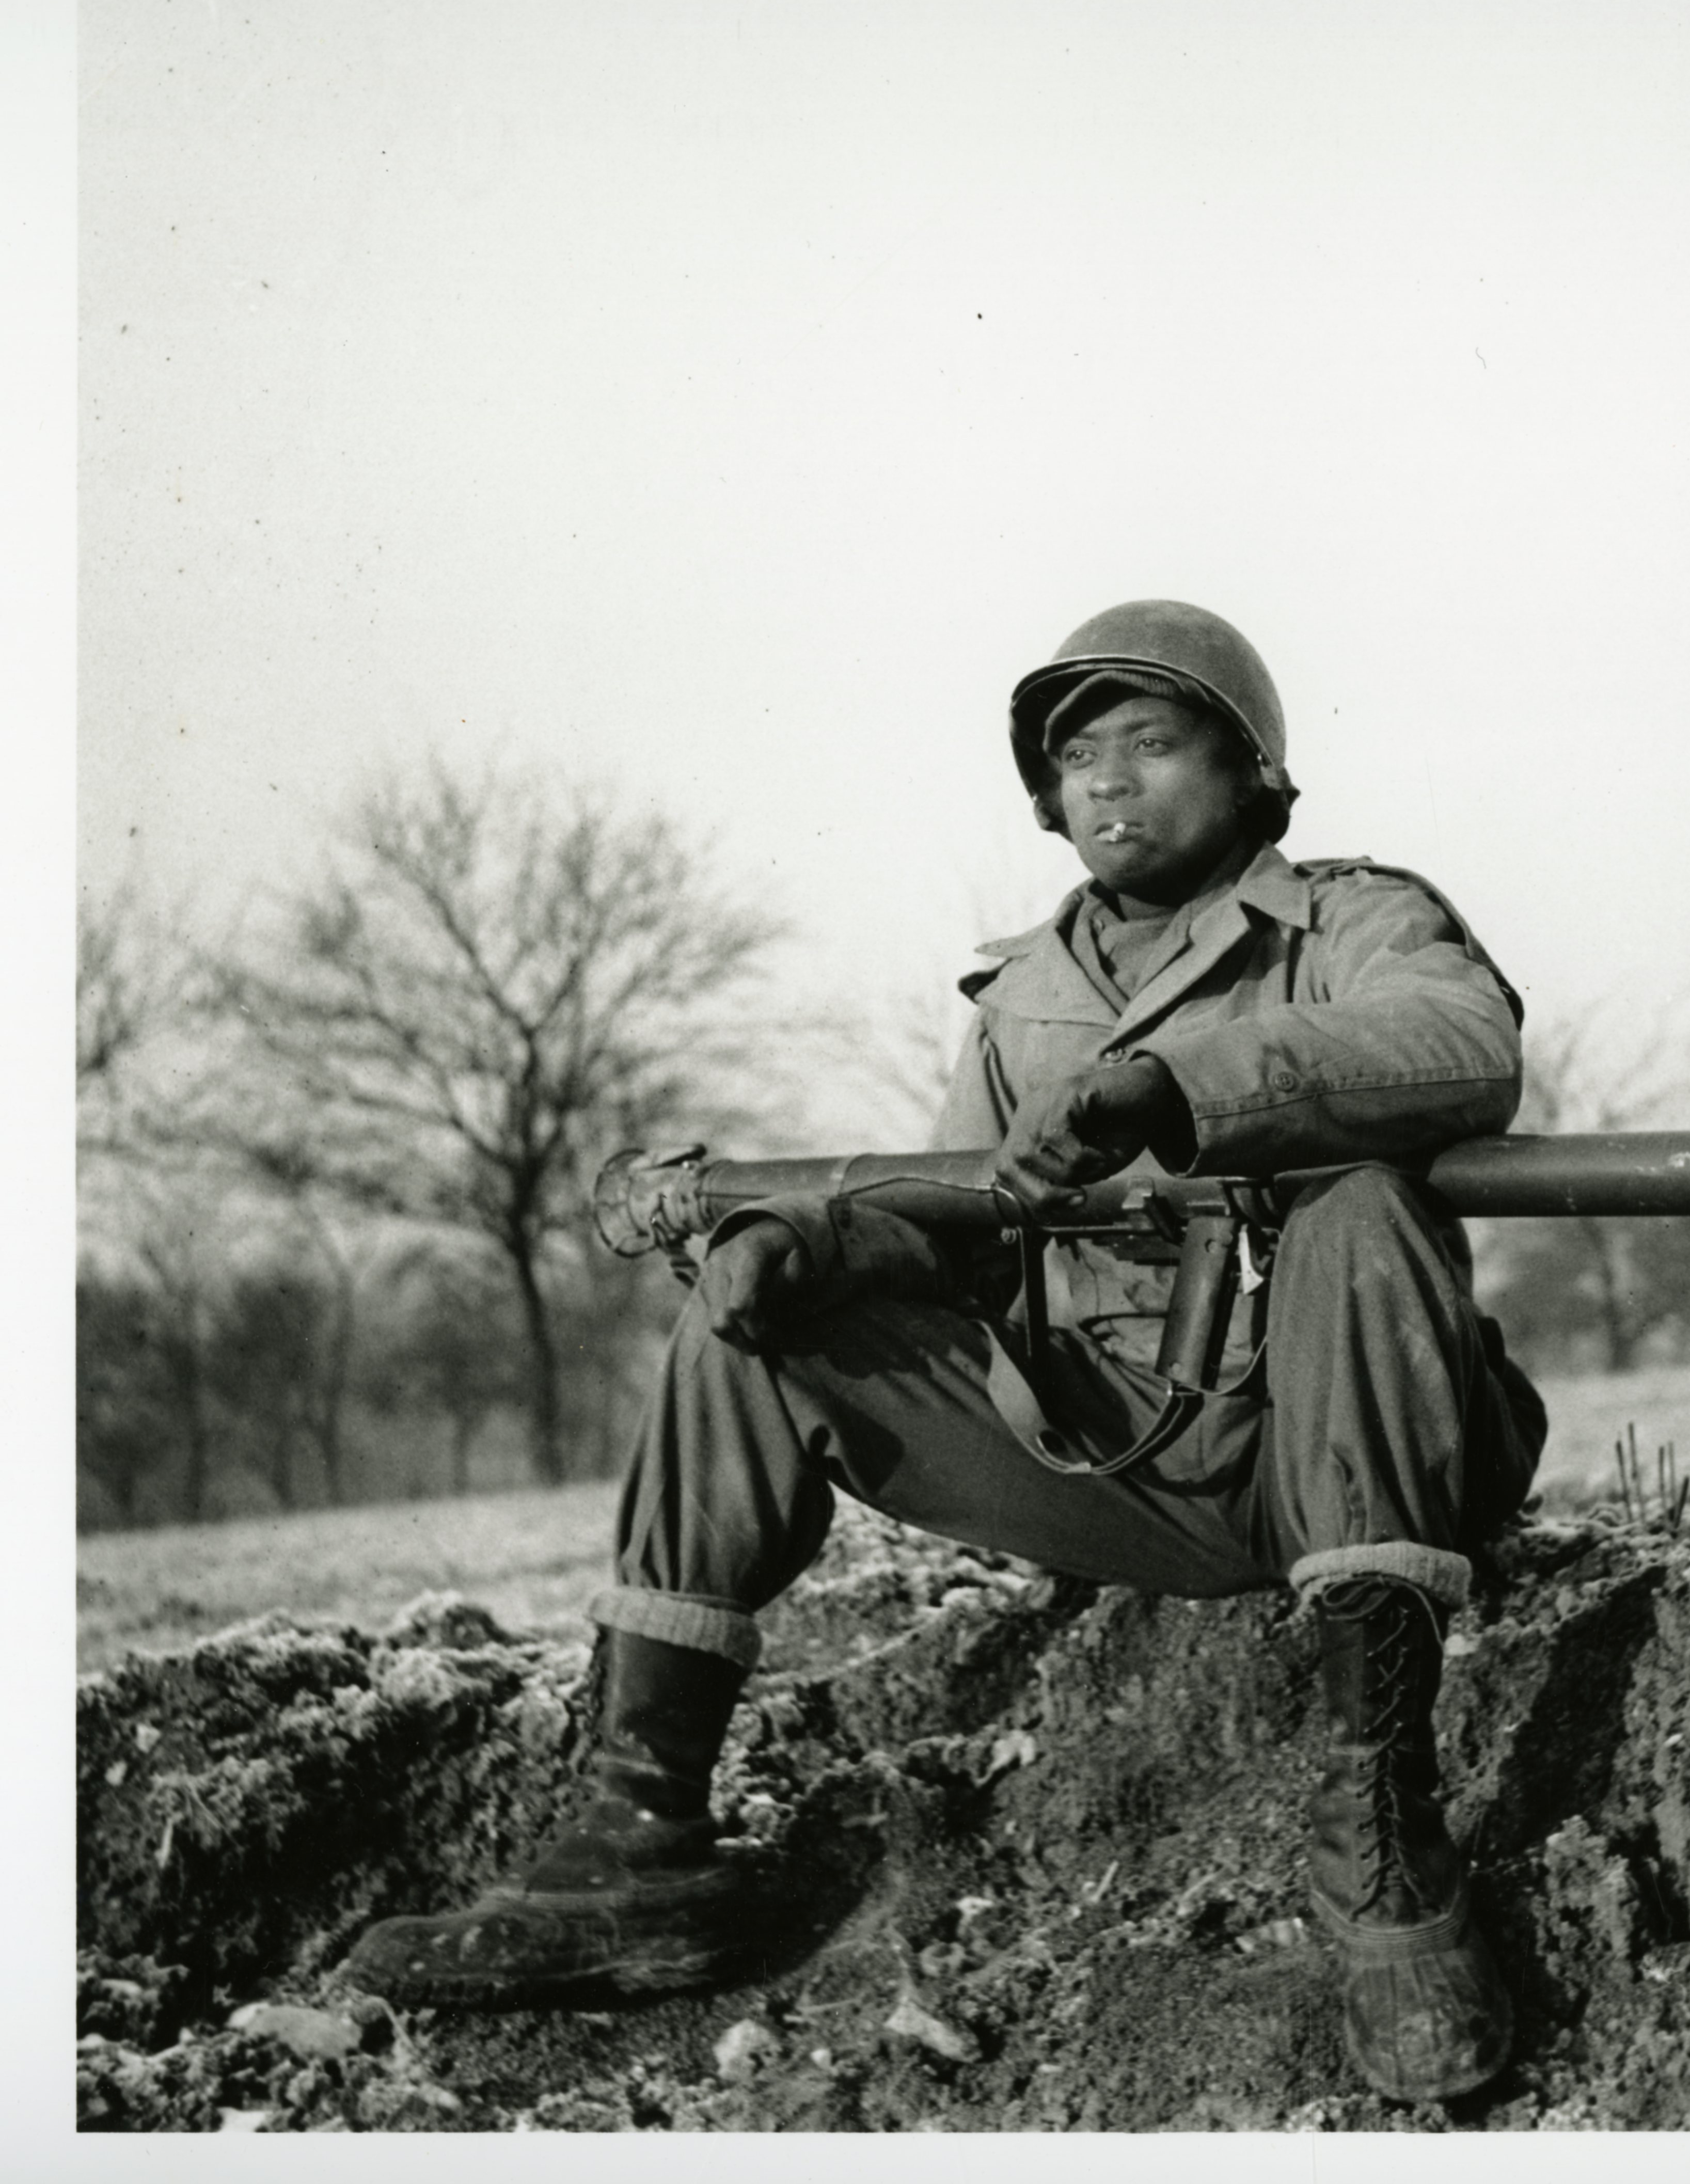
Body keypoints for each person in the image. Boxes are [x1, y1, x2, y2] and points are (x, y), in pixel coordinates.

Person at [345, 600, 1548, 2103]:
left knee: (1363, 1211)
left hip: (1358, 1455)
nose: (1110, 783)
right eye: (1078, 757)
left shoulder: (1352, 921)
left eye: (1154, 744)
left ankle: (1380, 1836)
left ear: (1251, 775)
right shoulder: (1020, 999)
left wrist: (1163, 1089)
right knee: (750, 1313)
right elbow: (960, 1221)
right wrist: (823, 1250)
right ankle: (633, 1833)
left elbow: (1460, 1047)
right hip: (1127, 1459)